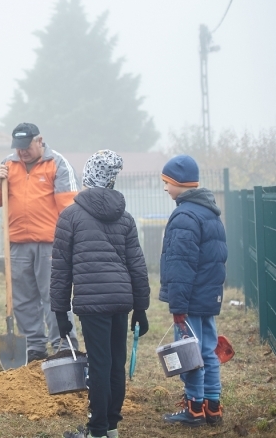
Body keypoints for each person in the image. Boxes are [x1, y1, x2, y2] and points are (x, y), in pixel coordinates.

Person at [52, 150, 150, 438]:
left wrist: (60, 311)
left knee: (99, 364)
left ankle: (96, 431)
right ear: (111, 180)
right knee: (115, 363)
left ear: (87, 177)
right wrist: (141, 308)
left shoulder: (69, 216)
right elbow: (137, 266)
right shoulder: (125, 218)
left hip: (92, 304)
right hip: (121, 301)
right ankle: (111, 427)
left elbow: (61, 269)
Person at [0, 122, 79, 361]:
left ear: (39, 140)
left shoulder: (57, 164)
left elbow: (69, 206)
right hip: (16, 243)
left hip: (50, 243)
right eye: (18, 147)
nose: (22, 152)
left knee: (54, 296)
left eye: (26, 147)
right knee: (23, 299)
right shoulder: (7, 165)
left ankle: (63, 345)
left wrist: (68, 241)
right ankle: (34, 347)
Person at [159, 155, 227, 427]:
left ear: (179, 183)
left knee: (190, 353)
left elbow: (180, 265)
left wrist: (178, 306)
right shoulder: (209, 211)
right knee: (208, 350)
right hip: (208, 296)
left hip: (189, 299)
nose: (165, 188)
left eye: (167, 182)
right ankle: (213, 405)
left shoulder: (184, 216)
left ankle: (194, 407)